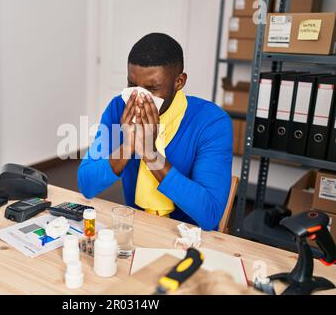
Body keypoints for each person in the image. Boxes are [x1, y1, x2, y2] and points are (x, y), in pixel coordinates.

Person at [77, 33, 232, 231]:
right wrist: (128, 146)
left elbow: (209, 215)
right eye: (132, 86)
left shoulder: (211, 122)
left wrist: (151, 155)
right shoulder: (119, 108)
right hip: (136, 228)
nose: (140, 97)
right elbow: (87, 184)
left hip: (189, 237)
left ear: (179, 82)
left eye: (152, 89)